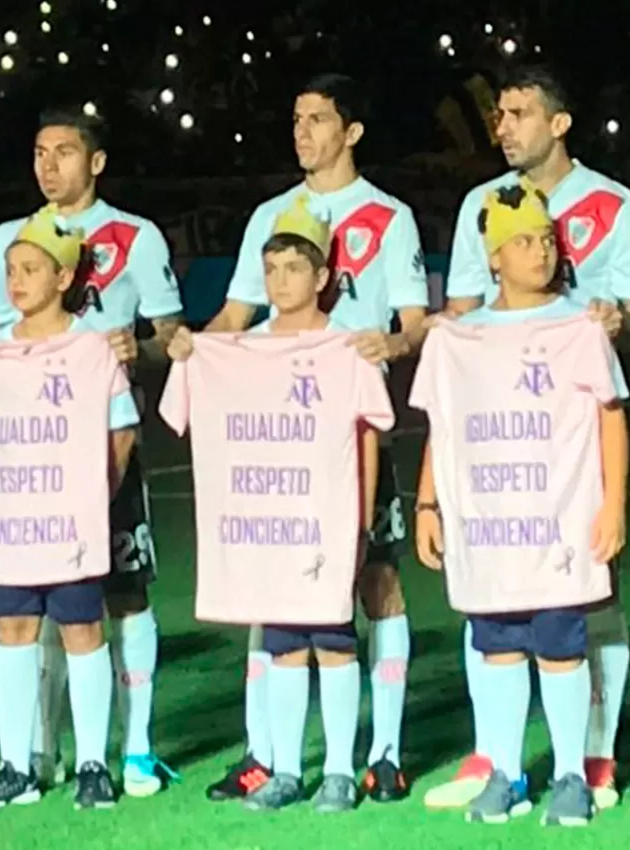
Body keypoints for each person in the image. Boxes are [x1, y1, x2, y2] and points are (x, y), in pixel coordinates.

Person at [430, 65, 630, 811]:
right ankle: (496, 760)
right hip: (500, 452)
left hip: (574, 439)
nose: (503, 127)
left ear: (560, 123)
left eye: (519, 113)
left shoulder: (611, 204)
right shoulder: (479, 206)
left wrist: (620, 325)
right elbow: (464, 333)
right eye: (499, 114)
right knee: (493, 599)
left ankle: (592, 756)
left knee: (590, 594)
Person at [197, 72, 426, 805]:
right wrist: (196, 350)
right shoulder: (270, 214)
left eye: (318, 118)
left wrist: (384, 351)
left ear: (351, 132)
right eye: (296, 118)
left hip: (351, 430)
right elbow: (236, 313)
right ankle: (267, 755)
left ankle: (381, 752)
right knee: (275, 587)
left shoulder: (388, 218)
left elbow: (415, 322)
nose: (302, 131)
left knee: (376, 583)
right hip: (276, 440)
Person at [0, 107, 183, 797]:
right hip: (30, 466)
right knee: (30, 610)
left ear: (95, 162)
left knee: (121, 595)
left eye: (64, 152)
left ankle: (135, 750)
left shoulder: (137, 237)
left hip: (103, 442)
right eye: (39, 152)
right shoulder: (10, 240)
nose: (48, 165)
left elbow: (169, 337)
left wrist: (137, 350)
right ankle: (37, 754)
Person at [414, 181, 629, 827]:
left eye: (546, 240)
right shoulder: (459, 335)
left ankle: (570, 773)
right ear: (494, 258)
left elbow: (610, 416)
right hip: (488, 525)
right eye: (525, 242)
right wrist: (428, 505)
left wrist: (612, 504)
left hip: (557, 518)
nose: (541, 252)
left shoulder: (578, 326)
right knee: (497, 645)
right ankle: (505, 772)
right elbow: (441, 426)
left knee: (561, 645)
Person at [0, 205, 129, 810]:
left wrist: (90, 496)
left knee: (83, 630)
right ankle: (15, 764)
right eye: (11, 269)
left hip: (69, 524)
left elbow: (122, 430)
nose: (18, 281)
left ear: (63, 277)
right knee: (12, 630)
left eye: (31, 268)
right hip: (13, 523)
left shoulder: (93, 347)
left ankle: (91, 763)